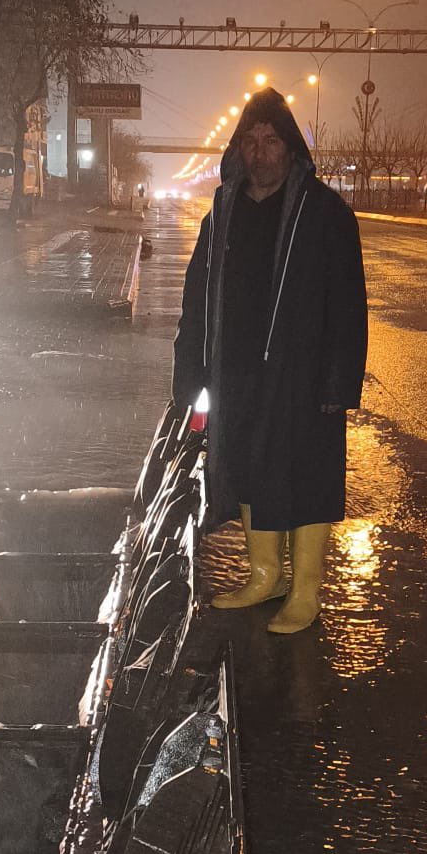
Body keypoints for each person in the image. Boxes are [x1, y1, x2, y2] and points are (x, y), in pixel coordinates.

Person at [172, 86, 367, 634]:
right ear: (238, 148)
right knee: (248, 468)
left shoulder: (324, 213)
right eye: (251, 141)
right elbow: (197, 298)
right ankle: (265, 575)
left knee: (304, 474)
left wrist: (338, 381)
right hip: (237, 371)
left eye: (272, 140)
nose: (260, 152)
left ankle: (305, 590)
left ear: (292, 148)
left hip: (303, 376)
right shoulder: (222, 213)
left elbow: (348, 304)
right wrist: (190, 371)